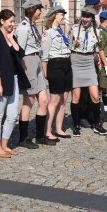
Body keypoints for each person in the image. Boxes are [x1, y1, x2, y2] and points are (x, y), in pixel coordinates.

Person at [0, 9, 31, 158]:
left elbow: (21, 53)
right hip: (1, 79)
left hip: (13, 79)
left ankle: (5, 144)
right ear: (2, 21)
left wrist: (12, 39)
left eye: (14, 21)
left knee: (12, 115)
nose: (13, 24)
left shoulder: (11, 37)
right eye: (10, 22)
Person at [14, 0, 48, 149]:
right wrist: (23, 70)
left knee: (44, 100)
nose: (41, 11)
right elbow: (19, 50)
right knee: (29, 101)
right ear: (32, 10)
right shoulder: (23, 27)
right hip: (28, 62)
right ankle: (23, 138)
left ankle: (40, 136)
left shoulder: (33, 26)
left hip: (37, 60)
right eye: (38, 9)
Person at [70, 7, 107, 135]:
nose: (85, 19)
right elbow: (67, 46)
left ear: (92, 18)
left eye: (88, 17)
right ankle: (76, 125)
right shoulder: (74, 28)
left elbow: (99, 48)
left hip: (89, 62)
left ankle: (97, 124)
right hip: (76, 61)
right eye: (83, 16)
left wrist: (102, 62)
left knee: (95, 96)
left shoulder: (97, 31)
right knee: (76, 96)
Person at [41, 7, 72, 143]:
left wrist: (67, 29)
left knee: (64, 99)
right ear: (54, 16)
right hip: (55, 65)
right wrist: (45, 73)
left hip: (66, 63)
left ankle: (59, 128)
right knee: (54, 100)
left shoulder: (63, 31)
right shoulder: (48, 33)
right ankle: (47, 130)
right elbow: (44, 56)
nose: (63, 16)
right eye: (61, 14)